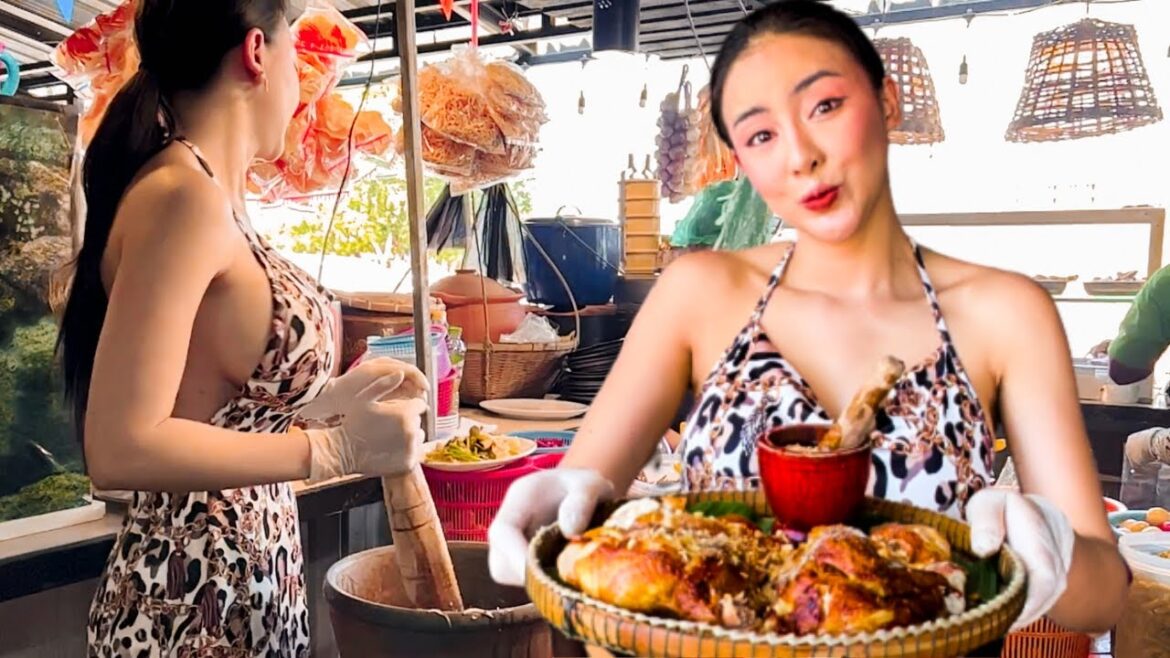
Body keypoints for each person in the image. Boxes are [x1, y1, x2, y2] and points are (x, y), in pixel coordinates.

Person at [489, 0, 1127, 634]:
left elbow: (1102, 602)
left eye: (825, 106)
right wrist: (551, 507)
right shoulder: (699, 291)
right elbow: (580, 497)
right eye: (761, 135)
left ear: (886, 101)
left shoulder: (1006, 312)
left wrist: (1056, 550)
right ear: (741, 162)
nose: (800, 156)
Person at [56, 2, 429, 655]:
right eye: (295, 53)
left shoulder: (213, 195)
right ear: (257, 53)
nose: (300, 89)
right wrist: (331, 451)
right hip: (188, 605)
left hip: (240, 590)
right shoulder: (182, 196)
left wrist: (322, 406)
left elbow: (213, 408)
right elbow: (121, 445)